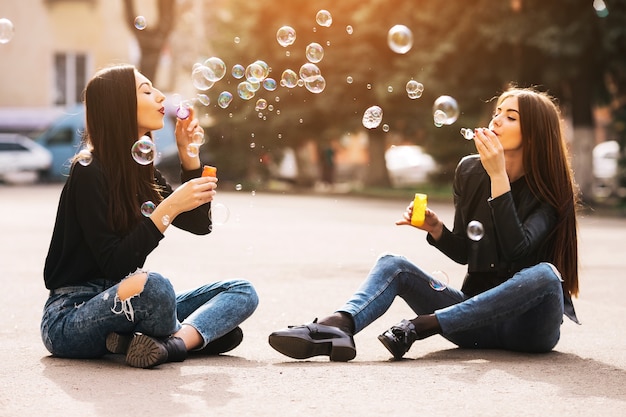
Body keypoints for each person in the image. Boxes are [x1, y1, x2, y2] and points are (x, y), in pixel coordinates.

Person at [268, 87, 580, 361]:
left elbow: (516, 251)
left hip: (527, 329)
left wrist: (499, 177)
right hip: (470, 323)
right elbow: (467, 253)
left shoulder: (549, 189)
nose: (496, 120)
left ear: (536, 133)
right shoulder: (471, 171)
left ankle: (422, 325)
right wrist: (438, 231)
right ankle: (336, 326)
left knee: (547, 275)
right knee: (393, 264)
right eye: (497, 112)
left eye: (511, 116)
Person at [41, 64, 259, 368]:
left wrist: (189, 156)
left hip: (127, 303)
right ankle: (187, 338)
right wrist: (167, 208)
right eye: (146, 91)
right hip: (71, 316)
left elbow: (199, 225)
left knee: (241, 290)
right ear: (119, 106)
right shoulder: (88, 170)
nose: (160, 97)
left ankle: (168, 343)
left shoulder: (141, 172)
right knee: (156, 288)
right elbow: (114, 263)